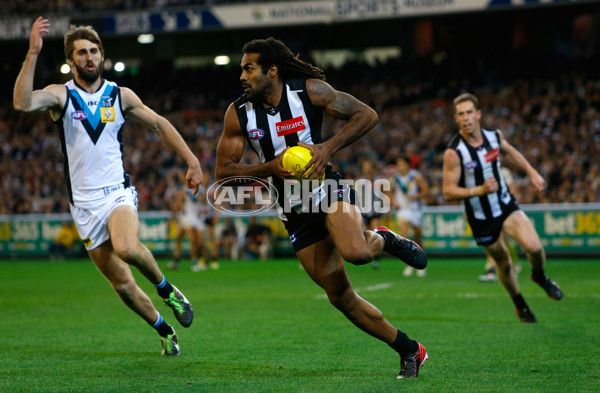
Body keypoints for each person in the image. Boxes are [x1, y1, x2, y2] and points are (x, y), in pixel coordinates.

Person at [215, 37, 428, 378]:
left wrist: (327, 148)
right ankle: (409, 349)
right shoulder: (238, 113)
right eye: (241, 68)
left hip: (326, 191)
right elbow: (223, 171)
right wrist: (269, 168)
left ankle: (383, 239)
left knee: (357, 253)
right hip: (292, 211)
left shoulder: (309, 92)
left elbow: (366, 115)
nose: (241, 75)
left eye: (248, 68)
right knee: (340, 297)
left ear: (271, 71)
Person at [13, 17, 202, 355]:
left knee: (128, 248)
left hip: (117, 193)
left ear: (101, 56)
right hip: (84, 207)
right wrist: (32, 53)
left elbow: (159, 123)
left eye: (94, 51)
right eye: (82, 52)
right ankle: (164, 330)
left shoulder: (120, 95)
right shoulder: (61, 96)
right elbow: (23, 103)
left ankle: (168, 291)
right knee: (123, 285)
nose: (89, 57)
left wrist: (192, 160)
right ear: (71, 61)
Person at [442, 92, 563, 323]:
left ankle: (539, 276)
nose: (466, 118)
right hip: (480, 217)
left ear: (478, 114)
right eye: (460, 114)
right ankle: (521, 306)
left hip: (505, 204)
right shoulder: (454, 151)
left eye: (469, 112)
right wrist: (478, 190)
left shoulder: (494, 137)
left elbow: (510, 153)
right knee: (504, 264)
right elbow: (448, 191)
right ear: (456, 119)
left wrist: (531, 172)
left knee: (534, 247)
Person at [390, 156, 430, 278]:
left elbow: (426, 190)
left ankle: (421, 262)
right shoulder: (394, 178)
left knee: (418, 237)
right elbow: (388, 191)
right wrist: (393, 202)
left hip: (415, 210)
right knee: (405, 236)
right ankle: (409, 263)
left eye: (401, 164)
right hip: (402, 210)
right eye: (398, 164)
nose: (399, 167)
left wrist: (416, 196)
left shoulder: (415, 176)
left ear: (407, 165)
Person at [167, 182, 210, 272]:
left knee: (200, 242)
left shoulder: (202, 190)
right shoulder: (185, 191)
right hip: (187, 218)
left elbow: (205, 204)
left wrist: (204, 210)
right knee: (190, 240)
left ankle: (205, 261)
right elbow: (178, 204)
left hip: (198, 219)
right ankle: (194, 262)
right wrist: (172, 218)